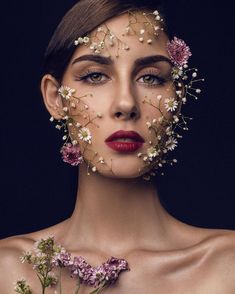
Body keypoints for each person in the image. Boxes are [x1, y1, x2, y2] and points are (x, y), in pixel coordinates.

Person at [0, 0, 234, 293]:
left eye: (150, 77)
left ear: (176, 98)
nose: (126, 103)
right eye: (95, 76)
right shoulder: (9, 269)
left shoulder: (227, 266)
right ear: (56, 98)